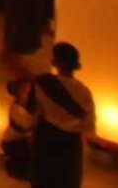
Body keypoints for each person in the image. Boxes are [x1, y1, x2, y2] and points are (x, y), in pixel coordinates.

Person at [31, 42, 94, 188]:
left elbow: (35, 113)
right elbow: (89, 124)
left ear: (55, 61)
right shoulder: (84, 91)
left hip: (46, 136)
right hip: (71, 143)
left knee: (44, 177)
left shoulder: (43, 83)